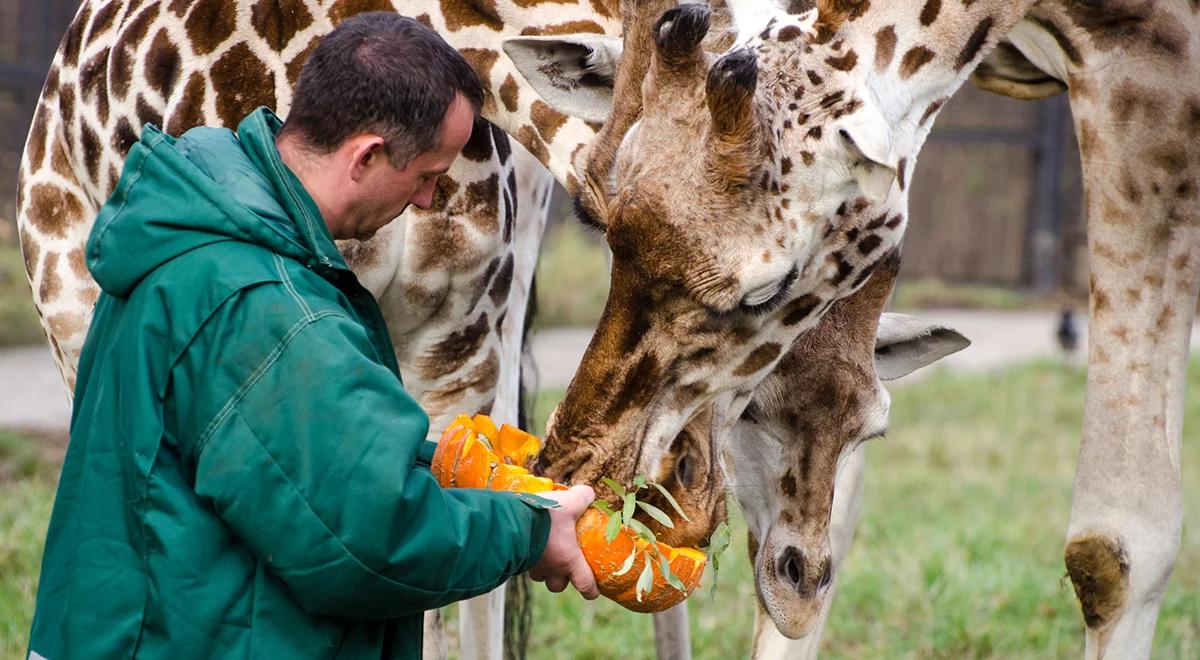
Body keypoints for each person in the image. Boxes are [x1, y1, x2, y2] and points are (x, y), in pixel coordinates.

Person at [27, 12, 596, 660]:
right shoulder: (265, 311)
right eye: (427, 177)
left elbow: (282, 461)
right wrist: (531, 535)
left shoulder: (199, 242)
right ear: (367, 156)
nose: (428, 203)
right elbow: (372, 535)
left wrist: (430, 463)